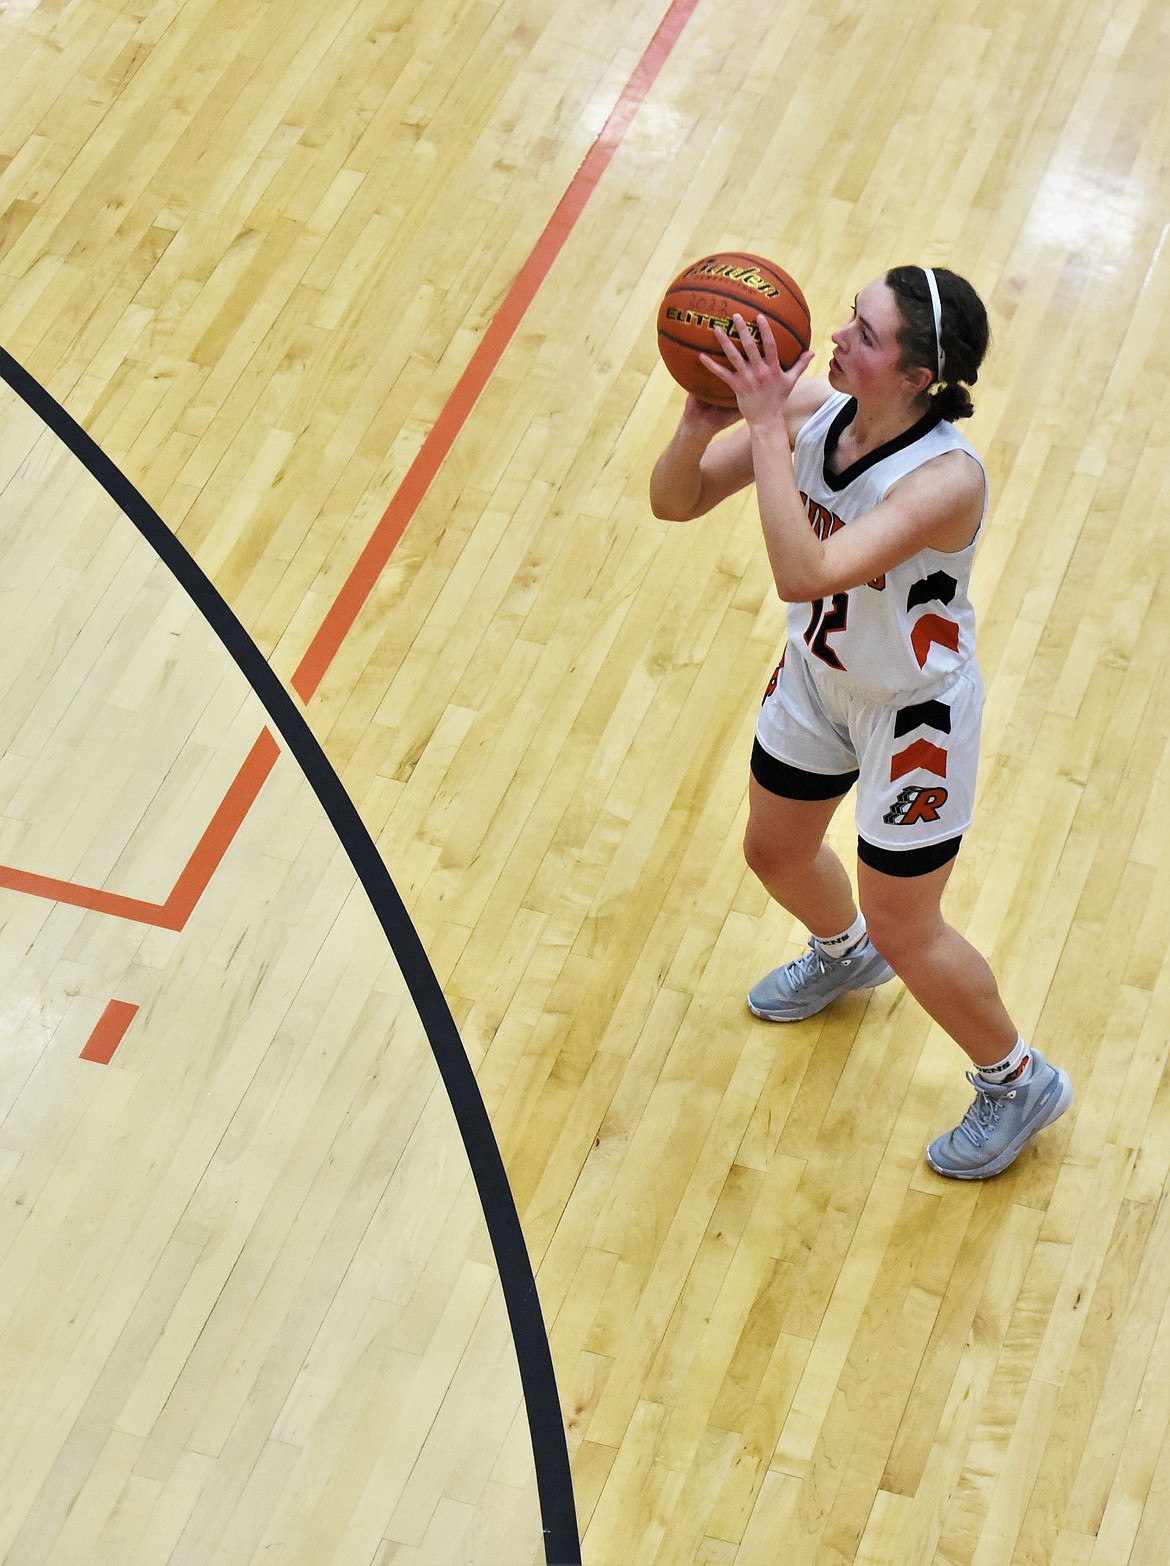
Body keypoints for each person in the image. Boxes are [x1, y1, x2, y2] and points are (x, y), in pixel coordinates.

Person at [649, 264, 1072, 1179]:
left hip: (910, 715)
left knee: (906, 927)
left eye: (864, 334)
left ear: (918, 378)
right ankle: (841, 957)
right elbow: (673, 500)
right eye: (849, 317)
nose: (836, 336)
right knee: (775, 854)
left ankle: (1017, 1079)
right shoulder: (812, 411)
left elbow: (804, 573)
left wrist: (764, 425)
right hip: (815, 678)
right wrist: (695, 426)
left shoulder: (944, 480)